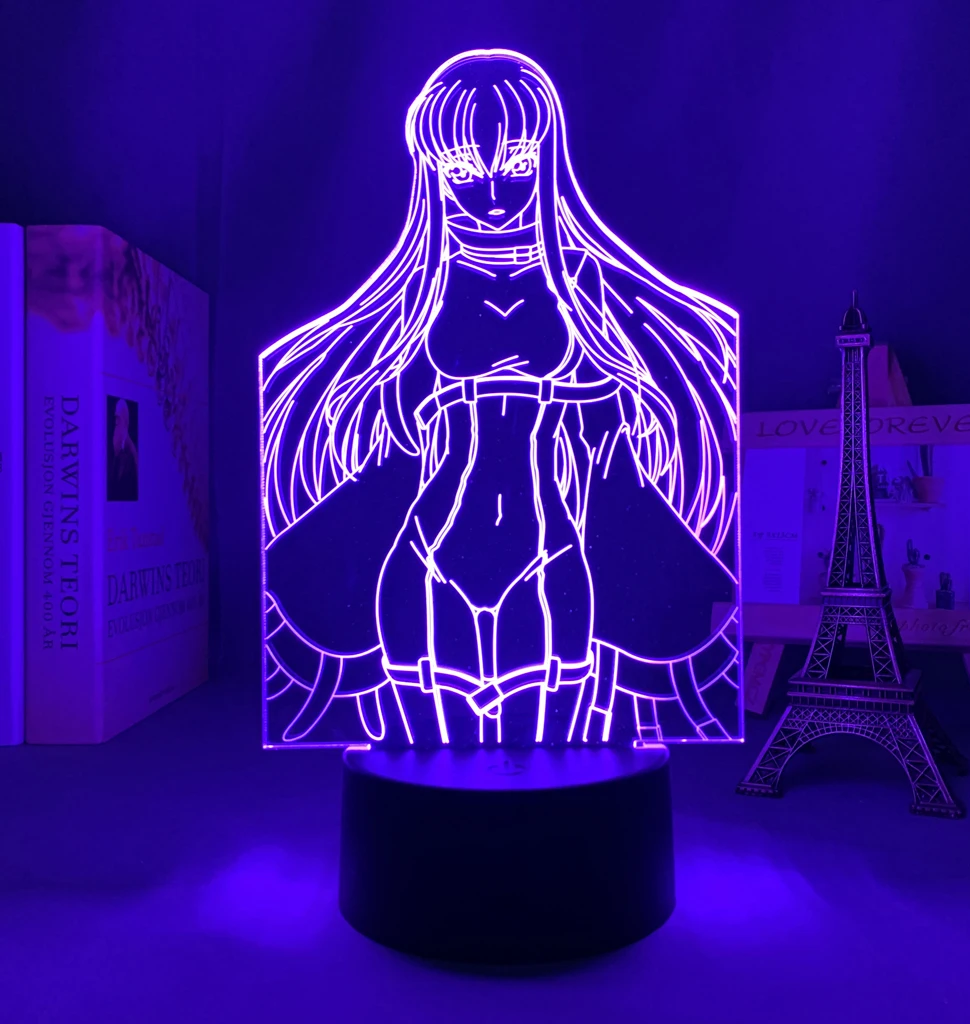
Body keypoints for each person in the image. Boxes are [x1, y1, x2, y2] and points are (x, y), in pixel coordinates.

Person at [260, 49, 740, 747]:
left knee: (564, 704)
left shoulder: (583, 283)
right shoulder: (421, 291)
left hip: (556, 520)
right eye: (462, 170)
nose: (490, 192)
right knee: (420, 712)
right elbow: (387, 408)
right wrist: (414, 397)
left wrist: (595, 398)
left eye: (515, 163)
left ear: (546, 161)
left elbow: (625, 400)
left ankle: (586, 740)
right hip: (433, 524)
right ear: (434, 172)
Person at [108, 398, 138, 501]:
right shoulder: (120, 447)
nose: (116, 422)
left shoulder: (130, 450)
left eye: (118, 418)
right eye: (115, 418)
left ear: (124, 419)